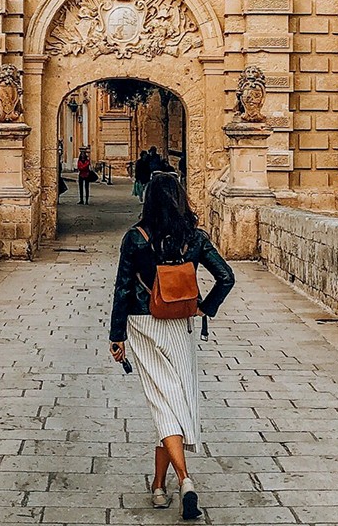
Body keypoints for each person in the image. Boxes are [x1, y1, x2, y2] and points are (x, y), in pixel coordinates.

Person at [109, 172, 235, 521]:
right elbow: (226, 276)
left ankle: (183, 479)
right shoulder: (193, 238)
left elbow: (122, 289)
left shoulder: (135, 238)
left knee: (162, 402)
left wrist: (116, 335)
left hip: (142, 322)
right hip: (179, 324)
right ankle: (158, 485)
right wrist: (204, 306)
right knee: (174, 399)